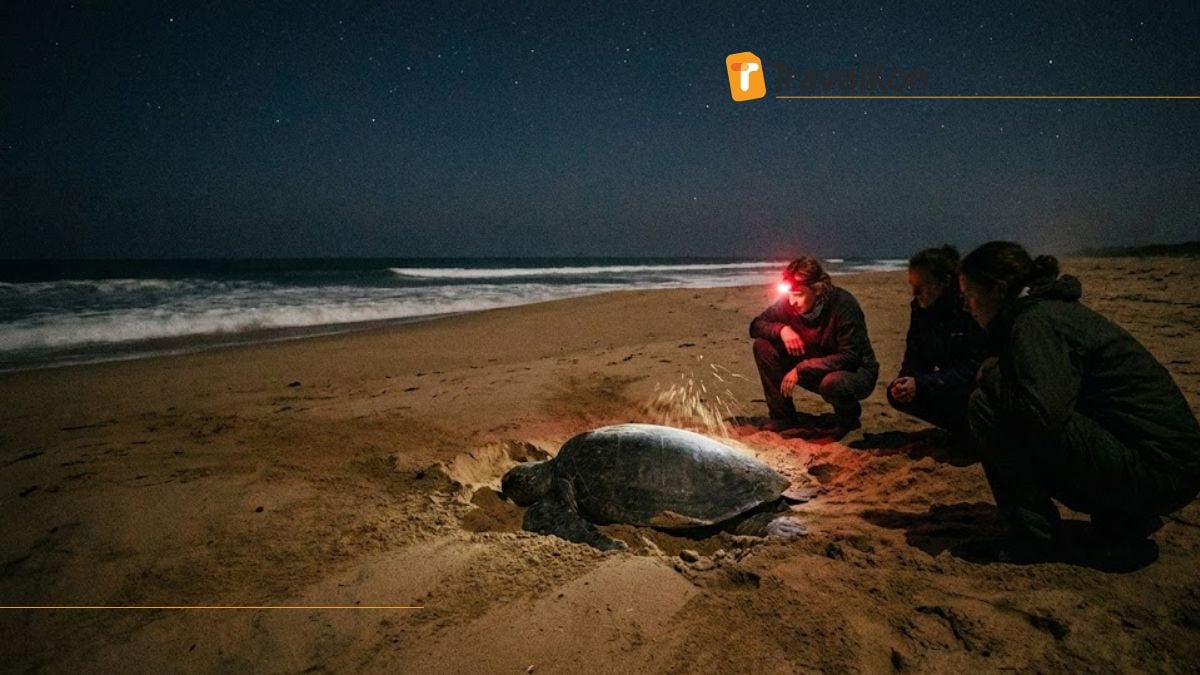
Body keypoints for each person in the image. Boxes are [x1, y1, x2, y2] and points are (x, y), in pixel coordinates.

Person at [960, 241, 1200, 561]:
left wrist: (992, 373)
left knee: (986, 406)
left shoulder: (1037, 321)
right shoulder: (1047, 311)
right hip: (1172, 468)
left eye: (968, 294)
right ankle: (1123, 517)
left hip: (1161, 476)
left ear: (999, 290)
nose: (966, 307)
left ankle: (1034, 538)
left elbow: (1042, 415)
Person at [750, 257, 879, 439]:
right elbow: (756, 325)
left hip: (855, 372)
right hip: (814, 366)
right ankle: (783, 418)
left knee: (832, 383)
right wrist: (782, 329)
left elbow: (849, 356)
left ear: (817, 289)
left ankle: (848, 418)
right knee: (763, 346)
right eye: (789, 294)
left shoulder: (843, 304)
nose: (792, 301)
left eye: (798, 294)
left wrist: (802, 368)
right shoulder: (788, 304)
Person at [887, 245, 988, 446]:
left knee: (973, 397)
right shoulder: (921, 311)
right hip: (946, 381)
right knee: (896, 393)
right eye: (912, 285)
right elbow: (915, 354)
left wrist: (923, 382)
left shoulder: (969, 309)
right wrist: (906, 381)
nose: (915, 293)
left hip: (975, 385)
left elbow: (978, 365)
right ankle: (962, 430)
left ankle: (977, 434)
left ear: (945, 282)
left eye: (922, 285)